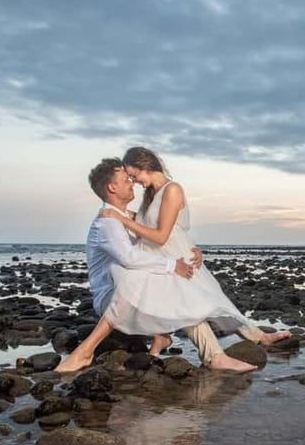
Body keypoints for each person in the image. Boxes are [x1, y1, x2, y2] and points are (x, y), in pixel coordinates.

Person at [55, 158, 265, 373]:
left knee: (175, 287)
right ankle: (87, 350)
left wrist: (191, 250)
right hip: (113, 299)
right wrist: (172, 265)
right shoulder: (107, 222)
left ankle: (208, 352)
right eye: (126, 179)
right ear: (112, 187)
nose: (132, 183)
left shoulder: (125, 218)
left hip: (134, 297)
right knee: (138, 276)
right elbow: (129, 258)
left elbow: (165, 237)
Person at [98, 147, 290, 364]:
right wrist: (120, 215)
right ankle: (220, 350)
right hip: (166, 258)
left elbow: (161, 236)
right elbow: (149, 223)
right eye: (131, 178)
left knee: (210, 302)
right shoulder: (151, 195)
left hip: (176, 257)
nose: (135, 182)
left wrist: (122, 219)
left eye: (135, 175)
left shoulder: (172, 190)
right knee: (195, 303)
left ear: (146, 166)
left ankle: (251, 340)